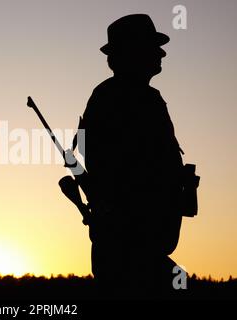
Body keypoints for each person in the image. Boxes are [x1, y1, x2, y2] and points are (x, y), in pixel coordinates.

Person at [79, 14, 184, 298]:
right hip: (130, 245)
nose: (160, 54)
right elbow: (117, 169)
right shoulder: (117, 99)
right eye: (151, 47)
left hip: (142, 242)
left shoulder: (143, 97)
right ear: (129, 54)